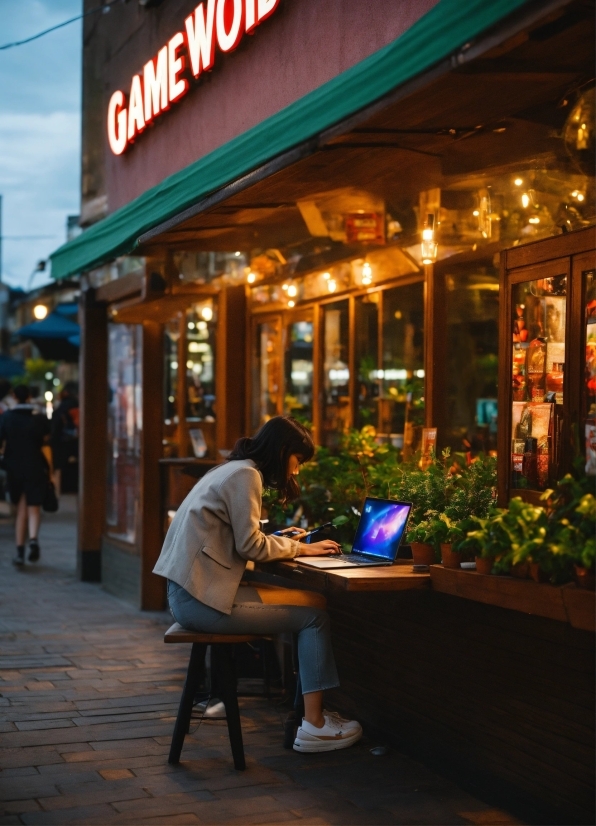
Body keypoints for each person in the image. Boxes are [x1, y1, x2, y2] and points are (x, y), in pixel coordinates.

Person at [154, 415, 362, 753]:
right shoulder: (246, 475)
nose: (296, 471)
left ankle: (306, 715)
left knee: (313, 602)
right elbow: (250, 546)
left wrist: (279, 539)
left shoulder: (231, 468)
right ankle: (315, 726)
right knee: (314, 618)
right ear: (282, 452)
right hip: (201, 603)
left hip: (194, 593)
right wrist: (303, 547)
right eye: (297, 461)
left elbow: (239, 539)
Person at [0, 384, 51, 566]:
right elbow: (46, 439)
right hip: (35, 465)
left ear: (14, 396)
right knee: (34, 507)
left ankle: (20, 551)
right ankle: (34, 540)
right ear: (29, 396)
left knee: (20, 509)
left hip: (14, 466)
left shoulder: (7, 418)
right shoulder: (39, 419)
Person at [50, 381, 79, 495]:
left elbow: (55, 425)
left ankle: (58, 492)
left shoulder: (62, 406)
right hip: (76, 441)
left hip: (62, 442)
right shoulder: (79, 404)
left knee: (58, 468)